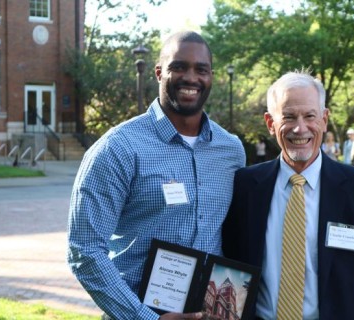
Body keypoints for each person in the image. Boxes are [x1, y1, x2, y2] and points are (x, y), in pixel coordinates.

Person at [67, 31, 246, 320]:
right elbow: (84, 250)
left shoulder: (231, 151)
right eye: (179, 67)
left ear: (211, 76)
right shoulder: (118, 148)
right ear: (159, 72)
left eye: (201, 69)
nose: (191, 78)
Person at [222, 71, 354, 319]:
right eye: (289, 117)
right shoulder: (246, 186)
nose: (300, 128)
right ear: (270, 124)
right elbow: (231, 263)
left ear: (324, 119)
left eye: (310, 116)